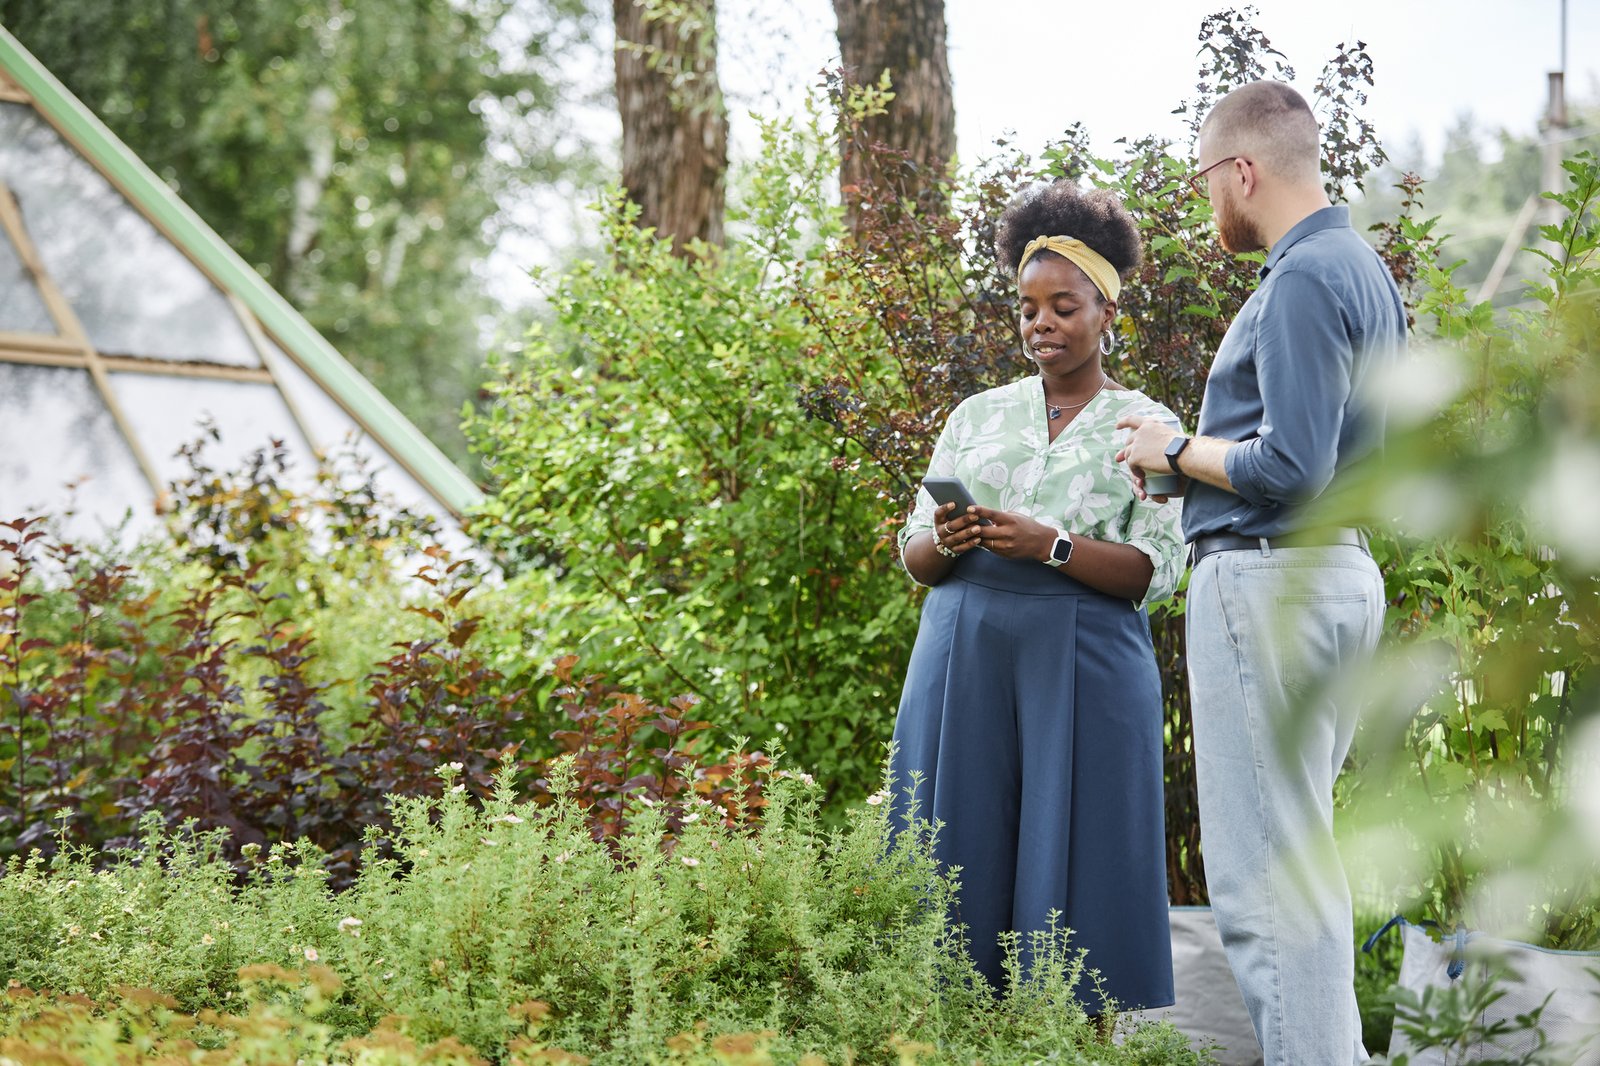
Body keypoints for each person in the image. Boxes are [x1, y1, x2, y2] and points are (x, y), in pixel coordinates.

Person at [1116, 81, 1406, 1065]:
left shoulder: (1300, 279)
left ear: (1243, 170)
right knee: (1302, 865)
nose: (1208, 205)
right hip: (1333, 575)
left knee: (1267, 884)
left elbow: (1287, 467)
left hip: (1270, 583)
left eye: (1206, 182)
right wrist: (1188, 474)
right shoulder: (1361, 272)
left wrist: (1174, 447)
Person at [891, 180, 1185, 1015]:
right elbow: (914, 552)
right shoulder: (976, 415)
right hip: (965, 651)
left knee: (1084, 863)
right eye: (1028, 309)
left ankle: (1082, 1042)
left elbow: (1159, 570)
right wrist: (943, 542)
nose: (1041, 324)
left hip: (1084, 659)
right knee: (959, 854)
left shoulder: (1148, 425)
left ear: (1106, 312)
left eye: (1064, 306)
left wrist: (1049, 545)